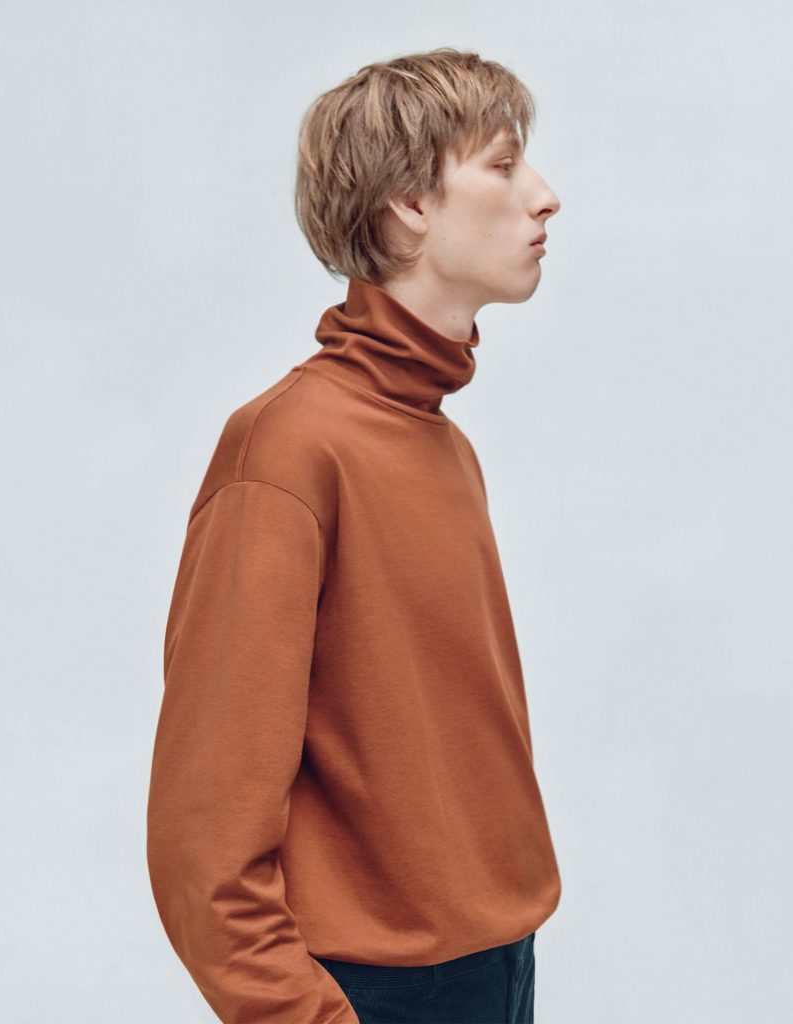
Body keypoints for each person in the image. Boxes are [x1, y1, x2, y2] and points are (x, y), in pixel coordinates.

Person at [146, 47, 562, 1024]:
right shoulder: (288, 447)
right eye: (504, 165)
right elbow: (204, 834)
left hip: (498, 967)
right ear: (408, 204)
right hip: (374, 991)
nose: (544, 196)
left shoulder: (443, 445)